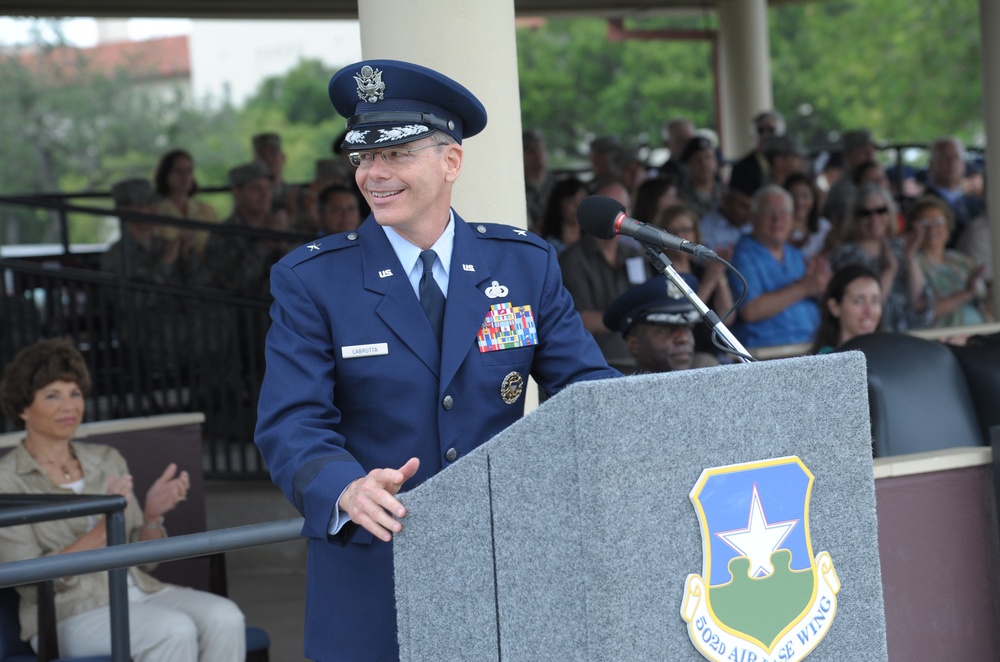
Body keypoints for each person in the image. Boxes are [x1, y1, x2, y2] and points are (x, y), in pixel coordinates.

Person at [253, 59, 619, 662]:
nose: (373, 174)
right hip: (375, 566)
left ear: (451, 161)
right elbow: (291, 424)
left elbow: (588, 393)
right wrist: (344, 487)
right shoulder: (312, 280)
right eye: (363, 158)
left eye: (395, 155)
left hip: (508, 566)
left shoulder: (523, 265)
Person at [0, 338, 245, 662]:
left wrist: (153, 517)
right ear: (22, 407)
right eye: (52, 396)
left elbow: (145, 562)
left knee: (226, 617)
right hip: (65, 614)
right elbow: (31, 582)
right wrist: (104, 527)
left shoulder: (107, 458)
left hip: (140, 590)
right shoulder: (6, 478)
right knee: (173, 630)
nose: (69, 406)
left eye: (74, 393)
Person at [559, 180, 648, 370]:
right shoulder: (571, 259)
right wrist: (632, 319)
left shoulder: (634, 255)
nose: (619, 218)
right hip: (599, 361)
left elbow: (647, 304)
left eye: (623, 210)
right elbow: (580, 319)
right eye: (610, 210)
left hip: (642, 357)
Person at [727, 185, 831, 348]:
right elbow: (750, 311)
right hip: (769, 352)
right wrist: (804, 288)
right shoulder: (741, 255)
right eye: (769, 213)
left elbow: (816, 293)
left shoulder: (796, 255)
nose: (777, 220)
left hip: (812, 345)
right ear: (753, 218)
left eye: (784, 213)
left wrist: (822, 285)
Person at [828, 182, 934, 332]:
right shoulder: (845, 254)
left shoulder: (900, 246)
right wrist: (890, 269)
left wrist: (910, 257)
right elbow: (864, 307)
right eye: (865, 213)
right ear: (854, 217)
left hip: (908, 334)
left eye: (881, 211)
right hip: (872, 338)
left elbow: (920, 302)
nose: (874, 218)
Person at [202, 162, 286, 300]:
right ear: (237, 193)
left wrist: (283, 243)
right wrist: (263, 244)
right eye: (256, 188)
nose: (265, 194)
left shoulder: (278, 225)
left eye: (268, 188)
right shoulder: (222, 235)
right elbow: (233, 283)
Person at [603, 272, 719, 372]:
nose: (683, 338)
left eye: (687, 327)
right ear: (634, 344)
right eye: (665, 329)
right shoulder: (618, 383)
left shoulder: (705, 368)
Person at [101, 178, 201, 286]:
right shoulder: (115, 256)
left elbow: (199, 285)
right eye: (145, 204)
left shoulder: (165, 245)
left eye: (154, 203)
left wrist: (187, 256)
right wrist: (166, 262)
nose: (154, 209)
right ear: (125, 210)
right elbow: (131, 299)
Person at [912, 196, 992, 327]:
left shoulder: (961, 260)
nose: (932, 229)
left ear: (948, 226)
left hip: (980, 331)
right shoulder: (914, 263)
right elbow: (925, 312)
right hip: (944, 338)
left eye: (938, 222)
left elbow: (984, 301)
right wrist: (966, 293)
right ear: (914, 228)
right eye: (925, 223)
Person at [152, 148, 220, 257]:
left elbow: (218, 244)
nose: (185, 176)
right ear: (165, 174)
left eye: (189, 171)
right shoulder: (155, 211)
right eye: (178, 171)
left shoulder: (207, 210)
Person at [810, 264, 883, 354]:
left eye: (875, 301)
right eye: (858, 301)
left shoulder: (889, 353)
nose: (869, 311)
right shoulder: (825, 361)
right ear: (834, 307)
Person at [923, 137, 982, 246]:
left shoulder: (973, 202)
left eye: (957, 158)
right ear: (931, 164)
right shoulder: (923, 204)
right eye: (945, 158)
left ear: (963, 163)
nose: (952, 163)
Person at [823, 129, 878, 227]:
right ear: (847, 155)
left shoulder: (879, 180)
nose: (870, 156)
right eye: (863, 152)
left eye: (871, 150)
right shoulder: (841, 190)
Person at [728, 110, 785, 197]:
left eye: (771, 130)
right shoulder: (741, 168)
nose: (766, 135)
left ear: (781, 133)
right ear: (753, 135)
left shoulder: (791, 163)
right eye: (760, 130)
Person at [783, 172, 833, 259]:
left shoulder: (824, 228)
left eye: (805, 196)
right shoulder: (776, 227)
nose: (799, 202)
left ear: (814, 199)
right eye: (793, 196)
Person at [538, 176, 588, 253]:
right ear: (558, 204)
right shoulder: (547, 244)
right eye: (570, 200)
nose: (577, 205)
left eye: (582, 199)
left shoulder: (594, 240)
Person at [677, 135, 723, 219]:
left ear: (716, 163)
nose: (704, 164)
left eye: (708, 158)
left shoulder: (726, 193)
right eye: (697, 159)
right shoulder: (678, 196)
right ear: (687, 165)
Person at [522, 129, 554, 233]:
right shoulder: (518, 190)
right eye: (531, 150)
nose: (538, 154)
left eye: (540, 148)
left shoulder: (559, 185)